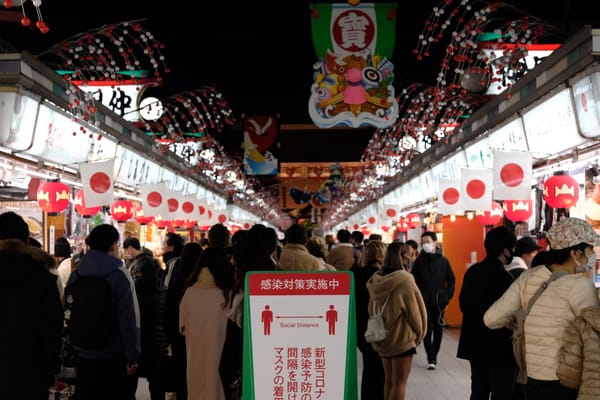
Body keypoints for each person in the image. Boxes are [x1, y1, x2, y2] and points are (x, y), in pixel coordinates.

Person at [484, 218, 600, 400]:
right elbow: (596, 329)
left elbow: (491, 319)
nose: (593, 254)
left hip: (532, 378)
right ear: (575, 254)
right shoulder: (580, 285)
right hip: (565, 380)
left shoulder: (528, 277)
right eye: (590, 250)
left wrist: (514, 322)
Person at [68, 224, 141, 400]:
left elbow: (70, 313)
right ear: (113, 245)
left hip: (83, 353)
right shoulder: (120, 275)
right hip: (114, 356)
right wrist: (133, 355)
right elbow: (130, 319)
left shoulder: (76, 275)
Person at [0, 211, 64, 400]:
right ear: (26, 239)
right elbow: (52, 327)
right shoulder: (43, 278)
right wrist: (54, 367)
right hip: (31, 369)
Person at [456, 225, 517, 400]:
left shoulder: (473, 272)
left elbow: (463, 304)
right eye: (512, 249)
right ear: (505, 251)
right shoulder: (505, 278)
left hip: (475, 342)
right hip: (499, 346)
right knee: (501, 393)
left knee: (479, 391)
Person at [366, 241, 427, 400]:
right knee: (400, 383)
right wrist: (420, 333)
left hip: (383, 336)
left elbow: (371, 309)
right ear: (403, 258)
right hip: (402, 339)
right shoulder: (405, 280)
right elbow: (415, 312)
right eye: (408, 257)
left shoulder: (376, 279)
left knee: (389, 381)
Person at [179, 246, 235, 399]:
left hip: (195, 361)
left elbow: (181, 328)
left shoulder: (189, 293)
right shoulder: (228, 295)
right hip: (222, 364)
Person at [127, 243, 168, 400]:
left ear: (139, 272)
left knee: (129, 387)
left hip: (137, 343)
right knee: (157, 387)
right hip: (158, 345)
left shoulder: (133, 291)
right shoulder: (163, 291)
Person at [411, 231, 455, 370]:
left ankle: (434, 354)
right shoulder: (418, 262)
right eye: (422, 242)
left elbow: (451, 279)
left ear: (434, 243)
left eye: (427, 242)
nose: (425, 245)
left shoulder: (443, 261)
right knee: (427, 330)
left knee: (438, 330)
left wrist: (448, 295)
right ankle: (431, 358)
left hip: (440, 301)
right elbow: (413, 281)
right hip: (423, 302)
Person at [352, 239, 387, 400]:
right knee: (381, 371)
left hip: (360, 329)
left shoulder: (355, 274)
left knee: (369, 368)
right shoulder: (384, 277)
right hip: (380, 328)